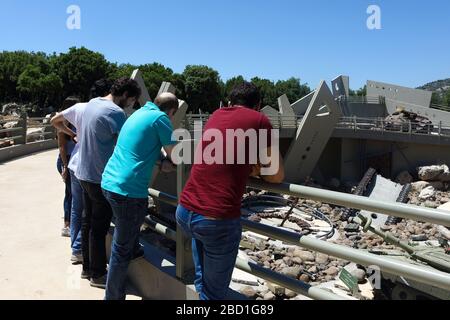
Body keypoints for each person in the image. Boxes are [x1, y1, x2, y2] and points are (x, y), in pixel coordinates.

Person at [176, 82, 285, 300]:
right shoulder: (260, 120)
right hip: (216, 219)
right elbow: (276, 175)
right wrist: (254, 169)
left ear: (229, 102)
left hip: (185, 211)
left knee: (202, 281)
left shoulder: (216, 115)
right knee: (214, 295)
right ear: (258, 105)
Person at [57, 77, 141, 288]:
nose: (130, 105)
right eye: (131, 101)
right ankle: (97, 274)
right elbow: (128, 141)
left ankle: (87, 268)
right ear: (125, 95)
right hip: (99, 176)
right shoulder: (116, 112)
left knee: (87, 223)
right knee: (98, 227)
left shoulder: (92, 104)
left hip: (83, 173)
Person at [101, 93, 179, 300]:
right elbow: (175, 155)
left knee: (129, 227)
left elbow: (142, 145)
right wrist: (167, 161)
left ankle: (134, 247)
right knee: (121, 249)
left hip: (109, 182)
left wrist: (160, 159)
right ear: (171, 112)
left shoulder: (138, 114)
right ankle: (113, 297)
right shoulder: (161, 119)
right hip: (128, 190)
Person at [51, 79, 113, 265]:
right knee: (87, 211)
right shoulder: (100, 110)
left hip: (75, 165)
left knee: (76, 208)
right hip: (87, 167)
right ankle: (78, 249)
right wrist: (71, 135)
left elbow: (53, 120)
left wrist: (72, 134)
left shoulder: (79, 108)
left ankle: (76, 249)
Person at [56, 96, 80, 237]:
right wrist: (65, 167)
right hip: (67, 159)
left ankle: (69, 222)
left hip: (73, 159)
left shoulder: (74, 120)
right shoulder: (62, 123)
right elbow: (62, 147)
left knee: (71, 193)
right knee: (70, 194)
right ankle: (67, 225)